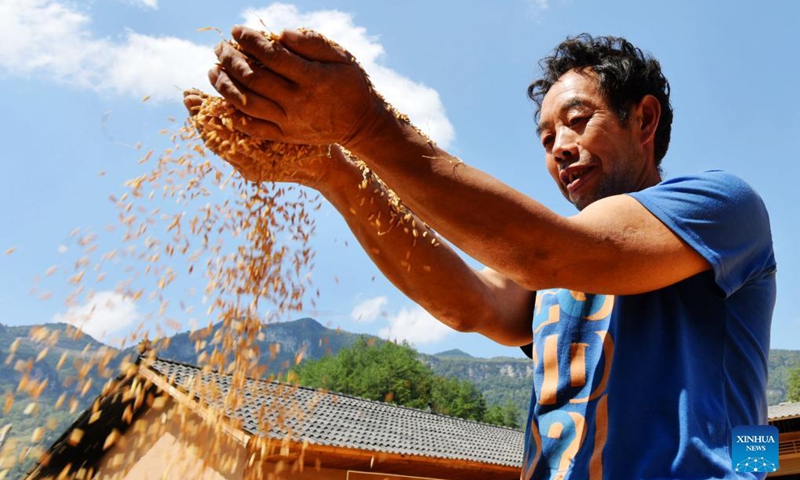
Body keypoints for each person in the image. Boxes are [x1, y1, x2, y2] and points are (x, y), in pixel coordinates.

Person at [184, 29, 776, 480]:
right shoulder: (550, 272)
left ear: (643, 119)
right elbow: (470, 304)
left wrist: (365, 125)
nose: (561, 149)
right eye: (547, 140)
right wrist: (330, 170)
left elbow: (551, 249)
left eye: (577, 122)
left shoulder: (722, 206)